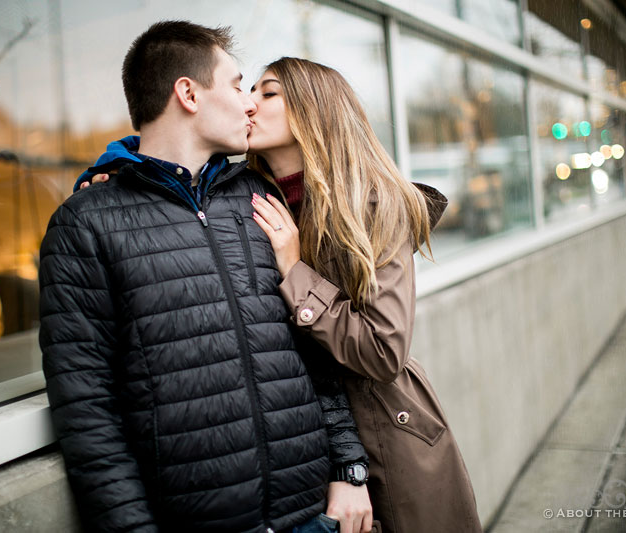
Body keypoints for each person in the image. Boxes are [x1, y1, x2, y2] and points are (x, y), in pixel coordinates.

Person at [40, 21, 373, 533]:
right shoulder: (86, 222)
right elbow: (86, 406)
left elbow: (310, 353)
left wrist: (349, 468)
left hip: (314, 516)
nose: (249, 104)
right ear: (188, 93)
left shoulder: (260, 199)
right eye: (238, 85)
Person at [247, 58, 483, 532]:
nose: (248, 103)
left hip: (387, 429)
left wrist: (294, 271)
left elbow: (383, 350)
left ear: (314, 108)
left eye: (268, 92)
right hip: (298, 445)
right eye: (248, 89)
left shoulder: (373, 207)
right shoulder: (245, 198)